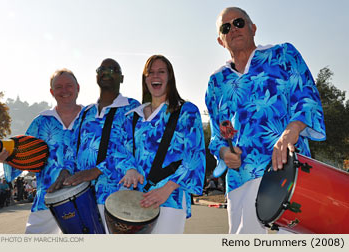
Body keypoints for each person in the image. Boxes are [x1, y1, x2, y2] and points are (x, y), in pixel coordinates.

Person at [205, 7, 326, 234]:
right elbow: (218, 133)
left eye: (239, 22)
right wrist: (224, 153)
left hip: (290, 171)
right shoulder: (216, 82)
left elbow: (307, 98)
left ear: (253, 28)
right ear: (221, 40)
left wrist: (293, 128)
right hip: (242, 179)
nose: (233, 29)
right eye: (226, 27)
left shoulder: (282, 55)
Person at [120, 55, 206, 234]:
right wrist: (130, 169)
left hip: (170, 198)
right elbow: (123, 151)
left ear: (170, 77)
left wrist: (166, 190)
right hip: (136, 200)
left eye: (161, 72)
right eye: (150, 73)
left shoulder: (186, 111)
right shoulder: (133, 116)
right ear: (145, 79)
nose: (155, 76)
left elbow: (195, 157)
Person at [61, 58, 140, 233]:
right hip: (81, 197)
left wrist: (95, 171)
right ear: (96, 76)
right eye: (102, 69)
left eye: (113, 69)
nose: (106, 73)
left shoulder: (133, 108)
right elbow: (71, 147)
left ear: (122, 77)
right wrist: (65, 172)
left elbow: (131, 150)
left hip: (116, 195)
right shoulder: (85, 112)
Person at [3, 68, 82, 233]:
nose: (64, 90)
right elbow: (22, 156)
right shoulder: (41, 122)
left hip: (85, 201)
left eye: (69, 85)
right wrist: (6, 157)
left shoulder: (92, 119)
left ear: (78, 88)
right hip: (46, 203)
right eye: (58, 87)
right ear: (52, 92)